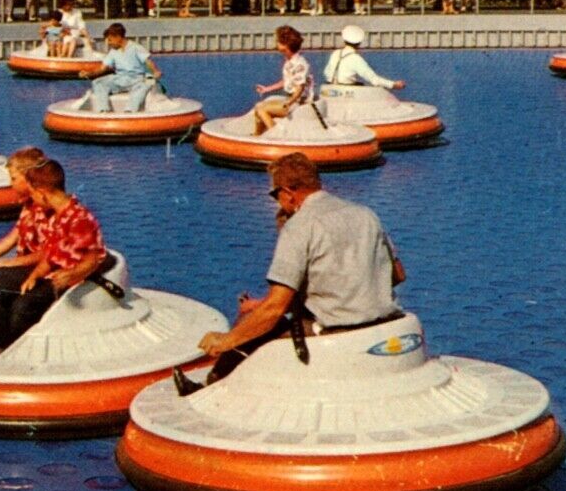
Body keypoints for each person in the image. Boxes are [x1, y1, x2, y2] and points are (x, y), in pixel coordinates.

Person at [172, 153, 403, 396]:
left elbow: (274, 309)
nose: (276, 202)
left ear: (288, 193)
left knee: (251, 329)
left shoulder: (299, 225)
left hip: (335, 331)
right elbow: (397, 275)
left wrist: (227, 340)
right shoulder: (366, 215)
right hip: (382, 324)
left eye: (274, 195)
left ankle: (208, 389)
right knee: (259, 315)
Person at [0, 157, 105, 360]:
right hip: (51, 274)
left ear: (41, 193)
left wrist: (69, 275)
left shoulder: (78, 218)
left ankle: (0, 343)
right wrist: (35, 275)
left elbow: (92, 259)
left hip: (68, 279)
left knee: (15, 300)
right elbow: (51, 254)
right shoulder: (61, 215)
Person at [81, 22, 162, 113]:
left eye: (110, 40)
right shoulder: (113, 51)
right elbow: (102, 68)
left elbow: (148, 62)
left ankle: (130, 110)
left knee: (148, 82)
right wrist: (89, 73)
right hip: (120, 78)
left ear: (118, 37)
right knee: (98, 82)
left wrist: (156, 71)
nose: (109, 43)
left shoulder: (136, 47)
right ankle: (104, 109)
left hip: (137, 78)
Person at [252, 25, 312, 135]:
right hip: (290, 100)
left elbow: (300, 87)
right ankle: (257, 135)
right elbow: (286, 81)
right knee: (258, 106)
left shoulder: (300, 64)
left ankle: (276, 135)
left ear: (285, 46)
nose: (276, 44)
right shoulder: (289, 62)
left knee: (262, 110)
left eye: (278, 41)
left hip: (298, 103)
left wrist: (290, 102)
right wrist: (266, 89)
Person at [322, 25, 405, 90]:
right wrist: (393, 84)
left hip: (331, 89)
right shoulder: (355, 59)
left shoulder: (335, 53)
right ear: (359, 43)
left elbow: (327, 73)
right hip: (348, 92)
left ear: (344, 40)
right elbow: (373, 79)